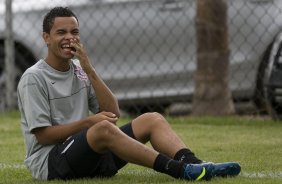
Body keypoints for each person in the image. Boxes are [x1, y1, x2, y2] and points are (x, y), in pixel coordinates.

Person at [17, 6, 241, 181]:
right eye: (61, 32)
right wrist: (88, 123)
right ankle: (180, 171)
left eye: (74, 32)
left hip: (90, 158)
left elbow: (112, 112)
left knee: (151, 119)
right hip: (52, 164)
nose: (69, 37)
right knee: (101, 128)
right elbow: (43, 135)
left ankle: (196, 165)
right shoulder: (33, 77)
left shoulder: (80, 70)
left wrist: (89, 68)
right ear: (46, 37)